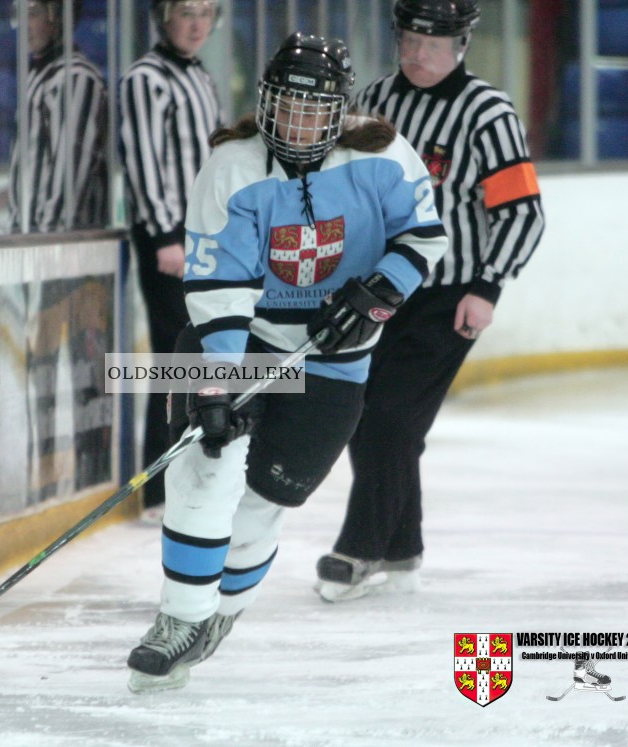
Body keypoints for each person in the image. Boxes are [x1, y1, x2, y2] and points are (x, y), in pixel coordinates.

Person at [125, 32, 449, 693]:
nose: (297, 125)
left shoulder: (384, 154)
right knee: (201, 468)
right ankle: (177, 617)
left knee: (265, 499)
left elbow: (424, 236)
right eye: (286, 106)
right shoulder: (231, 166)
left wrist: (376, 293)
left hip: (335, 363)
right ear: (264, 101)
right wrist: (215, 384)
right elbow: (218, 286)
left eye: (314, 111)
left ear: (341, 112)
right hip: (241, 341)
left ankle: (218, 616)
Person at [313, 0, 546, 603]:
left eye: (433, 46)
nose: (418, 56)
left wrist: (488, 286)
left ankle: (360, 549)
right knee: (368, 412)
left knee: (391, 417)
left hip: (449, 293)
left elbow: (522, 211)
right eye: (409, 42)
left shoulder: (488, 112)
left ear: (462, 45)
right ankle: (401, 546)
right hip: (380, 286)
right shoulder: (376, 98)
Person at [119, 0, 223, 518]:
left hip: (197, 236)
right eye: (187, 11)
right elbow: (142, 161)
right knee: (174, 357)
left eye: (207, 12)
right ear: (164, 16)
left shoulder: (199, 76)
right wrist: (164, 236)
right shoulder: (146, 78)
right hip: (169, 239)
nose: (197, 23)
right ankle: (159, 488)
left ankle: (181, 475)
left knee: (193, 354)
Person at [8, 0, 108, 232]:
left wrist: (49, 236)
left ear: (60, 18)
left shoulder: (75, 77)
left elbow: (71, 170)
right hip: (33, 238)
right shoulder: (38, 74)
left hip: (61, 245)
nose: (24, 24)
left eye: (33, 14)